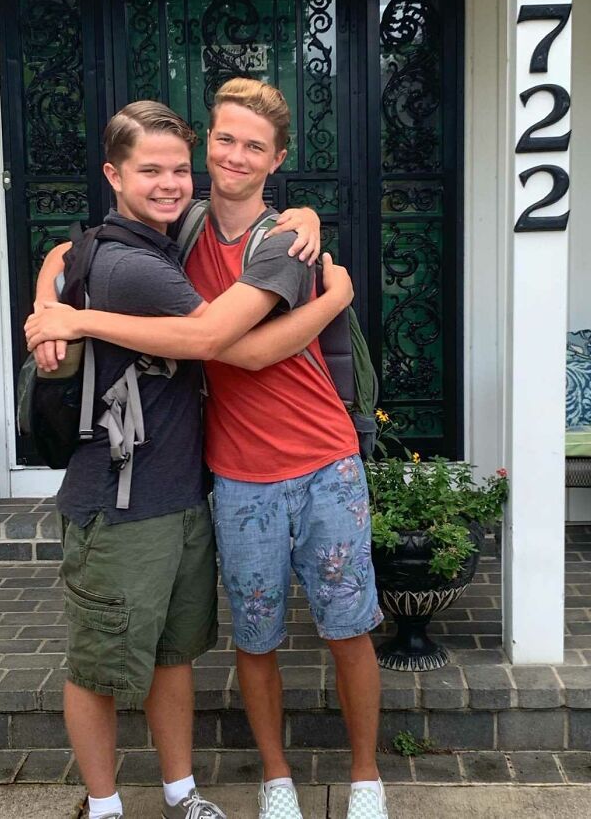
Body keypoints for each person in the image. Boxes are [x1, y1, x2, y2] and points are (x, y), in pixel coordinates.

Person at [26, 79, 388, 819]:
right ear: (207, 143)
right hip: (236, 472)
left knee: (348, 629)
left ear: (277, 160)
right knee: (255, 638)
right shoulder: (179, 225)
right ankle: (276, 779)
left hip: (323, 460)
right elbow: (70, 250)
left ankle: (366, 779)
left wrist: (335, 295)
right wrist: (47, 304)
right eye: (224, 139)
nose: (234, 156)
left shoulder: (284, 241)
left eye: (255, 146)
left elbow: (229, 347)